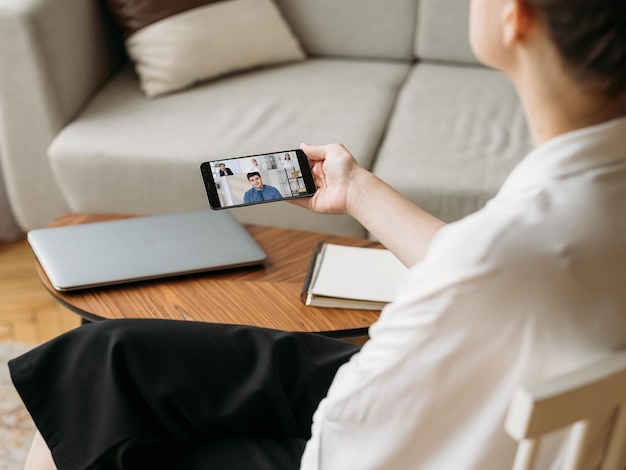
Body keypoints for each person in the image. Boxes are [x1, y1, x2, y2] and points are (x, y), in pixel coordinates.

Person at [9, 0, 626, 468]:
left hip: (360, 441)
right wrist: (357, 189)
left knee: (98, 405)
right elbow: (476, 270)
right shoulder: (576, 203)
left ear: (516, 17)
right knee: (114, 353)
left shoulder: (498, 258)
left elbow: (345, 435)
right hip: (465, 391)